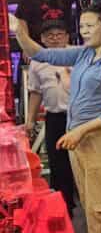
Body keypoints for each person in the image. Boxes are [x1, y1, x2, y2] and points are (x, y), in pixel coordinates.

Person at [15, 6, 101, 233]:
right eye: (82, 26)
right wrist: (19, 31)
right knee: (90, 208)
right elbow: (41, 55)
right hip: (78, 140)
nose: (85, 31)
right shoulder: (85, 54)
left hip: (99, 141)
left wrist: (85, 129)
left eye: (91, 26)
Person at [24, 20, 76, 214]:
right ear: (43, 39)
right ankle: (65, 208)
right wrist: (29, 120)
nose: (55, 38)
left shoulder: (78, 54)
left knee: (81, 161)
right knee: (58, 162)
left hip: (79, 118)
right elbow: (35, 92)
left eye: (59, 34)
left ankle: (88, 204)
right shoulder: (37, 61)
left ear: (67, 37)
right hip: (54, 117)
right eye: (50, 36)